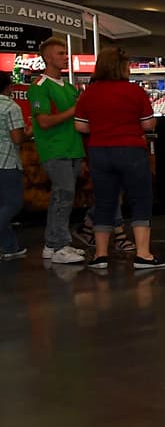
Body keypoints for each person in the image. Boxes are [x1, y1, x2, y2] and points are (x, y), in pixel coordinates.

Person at [72, 45, 165, 270]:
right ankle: (143, 255)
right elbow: (147, 124)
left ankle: (100, 255)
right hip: (130, 150)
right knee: (140, 199)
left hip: (99, 151)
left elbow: (81, 126)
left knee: (105, 201)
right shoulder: (135, 91)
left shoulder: (89, 93)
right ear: (121, 67)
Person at [28, 38, 86, 264]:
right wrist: (74, 110)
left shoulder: (69, 87)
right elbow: (43, 122)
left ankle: (53, 244)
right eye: (61, 53)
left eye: (66, 53)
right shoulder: (40, 87)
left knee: (63, 197)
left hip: (73, 148)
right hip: (55, 149)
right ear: (48, 57)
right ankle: (60, 244)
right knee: (63, 196)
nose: (65, 57)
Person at [0, 71, 32, 261]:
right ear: (9, 87)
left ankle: (10, 246)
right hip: (7, 162)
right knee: (12, 204)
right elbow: (17, 138)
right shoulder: (11, 107)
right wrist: (28, 132)